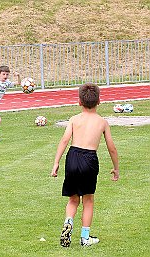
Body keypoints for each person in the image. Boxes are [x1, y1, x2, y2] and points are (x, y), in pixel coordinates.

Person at [51, 82, 119, 247]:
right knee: (88, 199)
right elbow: (111, 147)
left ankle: (68, 222)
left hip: (72, 156)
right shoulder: (102, 122)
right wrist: (116, 168)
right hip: (89, 159)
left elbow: (65, 140)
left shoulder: (74, 119)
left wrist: (56, 163)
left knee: (73, 199)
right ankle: (85, 237)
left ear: (79, 101)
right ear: (99, 101)